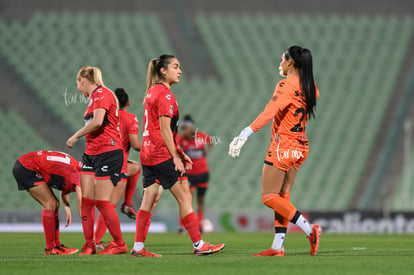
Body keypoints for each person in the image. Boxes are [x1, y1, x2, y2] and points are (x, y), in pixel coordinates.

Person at [228, 46, 321, 257]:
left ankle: (309, 229)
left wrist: (245, 134)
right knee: (283, 197)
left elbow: (270, 111)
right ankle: (278, 246)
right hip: (300, 147)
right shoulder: (311, 87)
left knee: (268, 197)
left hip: (283, 146)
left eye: (282, 60)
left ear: (290, 63)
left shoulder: (285, 85)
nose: (279, 64)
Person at [131, 54, 225, 257]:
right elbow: (165, 129)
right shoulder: (165, 95)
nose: (180, 70)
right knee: (185, 196)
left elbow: (159, 129)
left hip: (148, 153)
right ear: (163, 70)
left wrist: (180, 152)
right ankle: (199, 244)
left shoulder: (151, 92)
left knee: (149, 199)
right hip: (161, 153)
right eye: (175, 67)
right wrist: (174, 156)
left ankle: (138, 248)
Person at [66, 66, 127, 255]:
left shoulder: (101, 93)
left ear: (82, 80)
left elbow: (98, 121)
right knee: (86, 201)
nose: (78, 89)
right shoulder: (93, 98)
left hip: (108, 152)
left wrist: (75, 136)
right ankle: (89, 243)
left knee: (101, 202)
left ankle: (119, 244)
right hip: (91, 154)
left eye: (78, 84)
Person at [94, 88, 141, 249]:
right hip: (118, 163)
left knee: (135, 167)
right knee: (108, 205)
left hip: (100, 160)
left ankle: (127, 204)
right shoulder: (130, 118)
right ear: (128, 103)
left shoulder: (104, 115)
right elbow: (135, 145)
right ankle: (97, 241)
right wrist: (151, 145)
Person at [12, 150, 81, 255]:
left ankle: (56, 246)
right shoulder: (82, 178)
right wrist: (89, 233)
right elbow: (82, 205)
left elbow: (65, 186)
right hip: (27, 167)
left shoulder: (77, 169)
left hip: (26, 164)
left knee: (54, 203)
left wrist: (67, 208)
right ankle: (50, 248)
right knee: (50, 203)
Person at [178, 115, 212, 233]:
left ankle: (200, 224)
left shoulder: (200, 136)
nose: (183, 130)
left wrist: (206, 152)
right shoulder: (181, 140)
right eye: (182, 128)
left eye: (185, 128)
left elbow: (210, 141)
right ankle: (182, 225)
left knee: (201, 200)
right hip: (190, 174)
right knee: (187, 199)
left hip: (203, 173)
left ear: (190, 128)